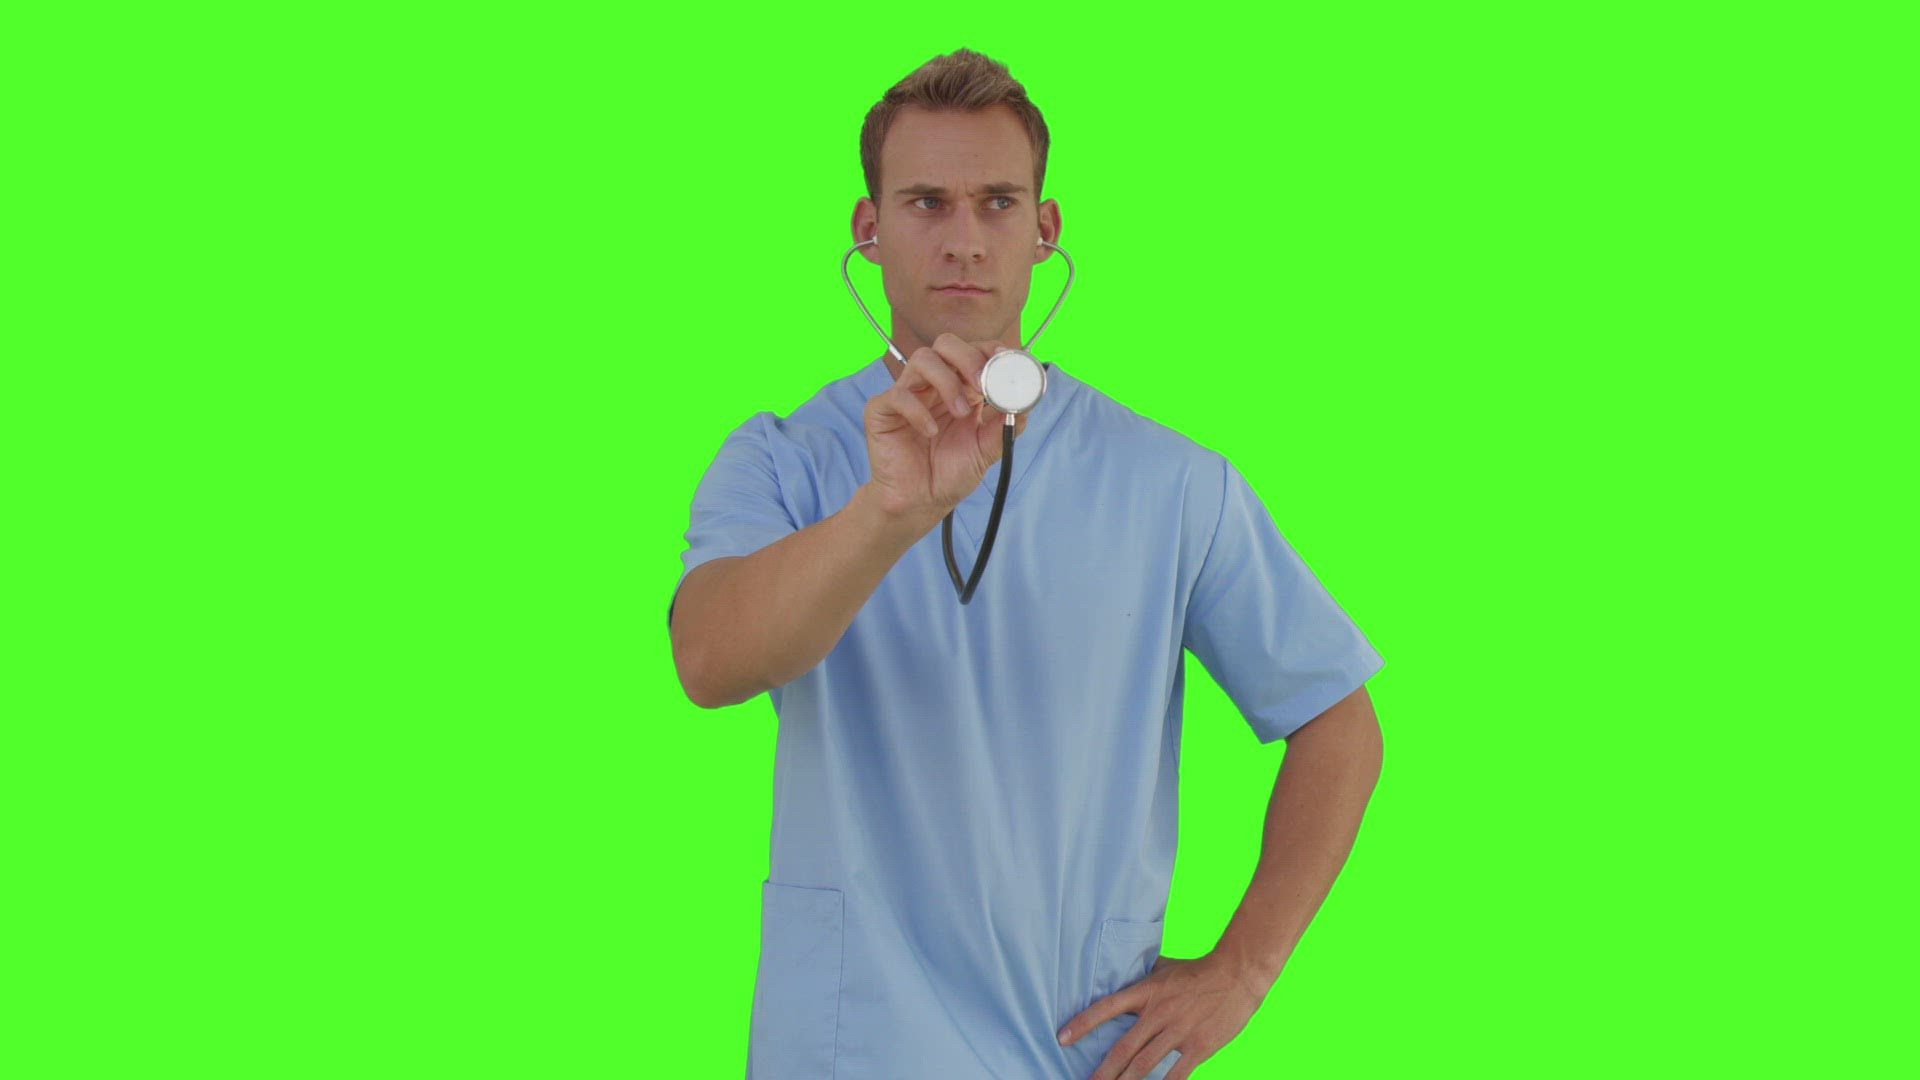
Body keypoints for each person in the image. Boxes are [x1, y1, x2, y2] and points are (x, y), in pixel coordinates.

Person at [670, 48, 1386, 1080]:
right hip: (850, 1050)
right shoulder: (783, 459)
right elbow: (709, 659)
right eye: (926, 202)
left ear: (1045, 230)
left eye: (997, 203)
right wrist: (888, 510)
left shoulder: (1171, 482)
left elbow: (1338, 719)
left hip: (1075, 1052)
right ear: (868, 229)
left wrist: (1244, 970)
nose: (964, 238)